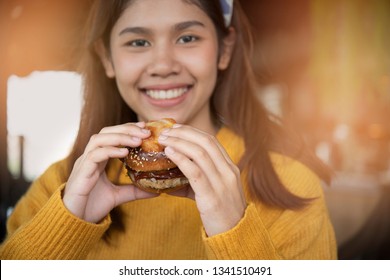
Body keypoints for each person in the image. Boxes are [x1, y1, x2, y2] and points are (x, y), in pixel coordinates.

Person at [0, 0, 337, 259]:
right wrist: (67, 227)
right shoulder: (58, 188)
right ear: (106, 58)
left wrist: (235, 233)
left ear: (225, 48)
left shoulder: (292, 188)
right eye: (137, 43)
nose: (163, 65)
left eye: (188, 37)